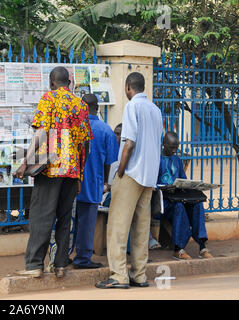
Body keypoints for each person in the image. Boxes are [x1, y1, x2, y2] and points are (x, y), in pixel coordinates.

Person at [14, 66, 93, 278]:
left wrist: (25, 162)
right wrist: (80, 174)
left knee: (42, 216)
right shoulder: (81, 105)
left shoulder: (48, 99)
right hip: (72, 169)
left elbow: (42, 132)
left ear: (52, 82)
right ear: (70, 83)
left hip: (51, 168)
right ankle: (60, 265)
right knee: (65, 217)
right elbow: (85, 144)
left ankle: (34, 265)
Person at [96, 72, 163, 289]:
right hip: (149, 176)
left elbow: (129, 143)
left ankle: (118, 275)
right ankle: (139, 274)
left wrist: (120, 171)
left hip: (132, 173)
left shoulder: (132, 107)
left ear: (128, 88)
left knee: (118, 225)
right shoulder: (155, 110)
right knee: (142, 228)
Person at [72, 94, 119, 269]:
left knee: (68, 222)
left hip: (70, 183)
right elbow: (110, 162)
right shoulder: (105, 130)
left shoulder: (74, 126)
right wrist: (105, 183)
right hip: (93, 184)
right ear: (97, 107)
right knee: (86, 223)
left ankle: (63, 256)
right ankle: (82, 258)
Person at [157, 131, 213, 260]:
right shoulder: (157, 160)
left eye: (176, 148)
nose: (175, 150)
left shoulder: (177, 159)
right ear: (164, 144)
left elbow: (183, 179)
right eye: (172, 147)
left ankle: (202, 246)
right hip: (163, 201)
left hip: (178, 196)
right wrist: (164, 187)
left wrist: (189, 185)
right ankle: (178, 249)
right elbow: (152, 184)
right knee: (179, 207)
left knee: (198, 205)